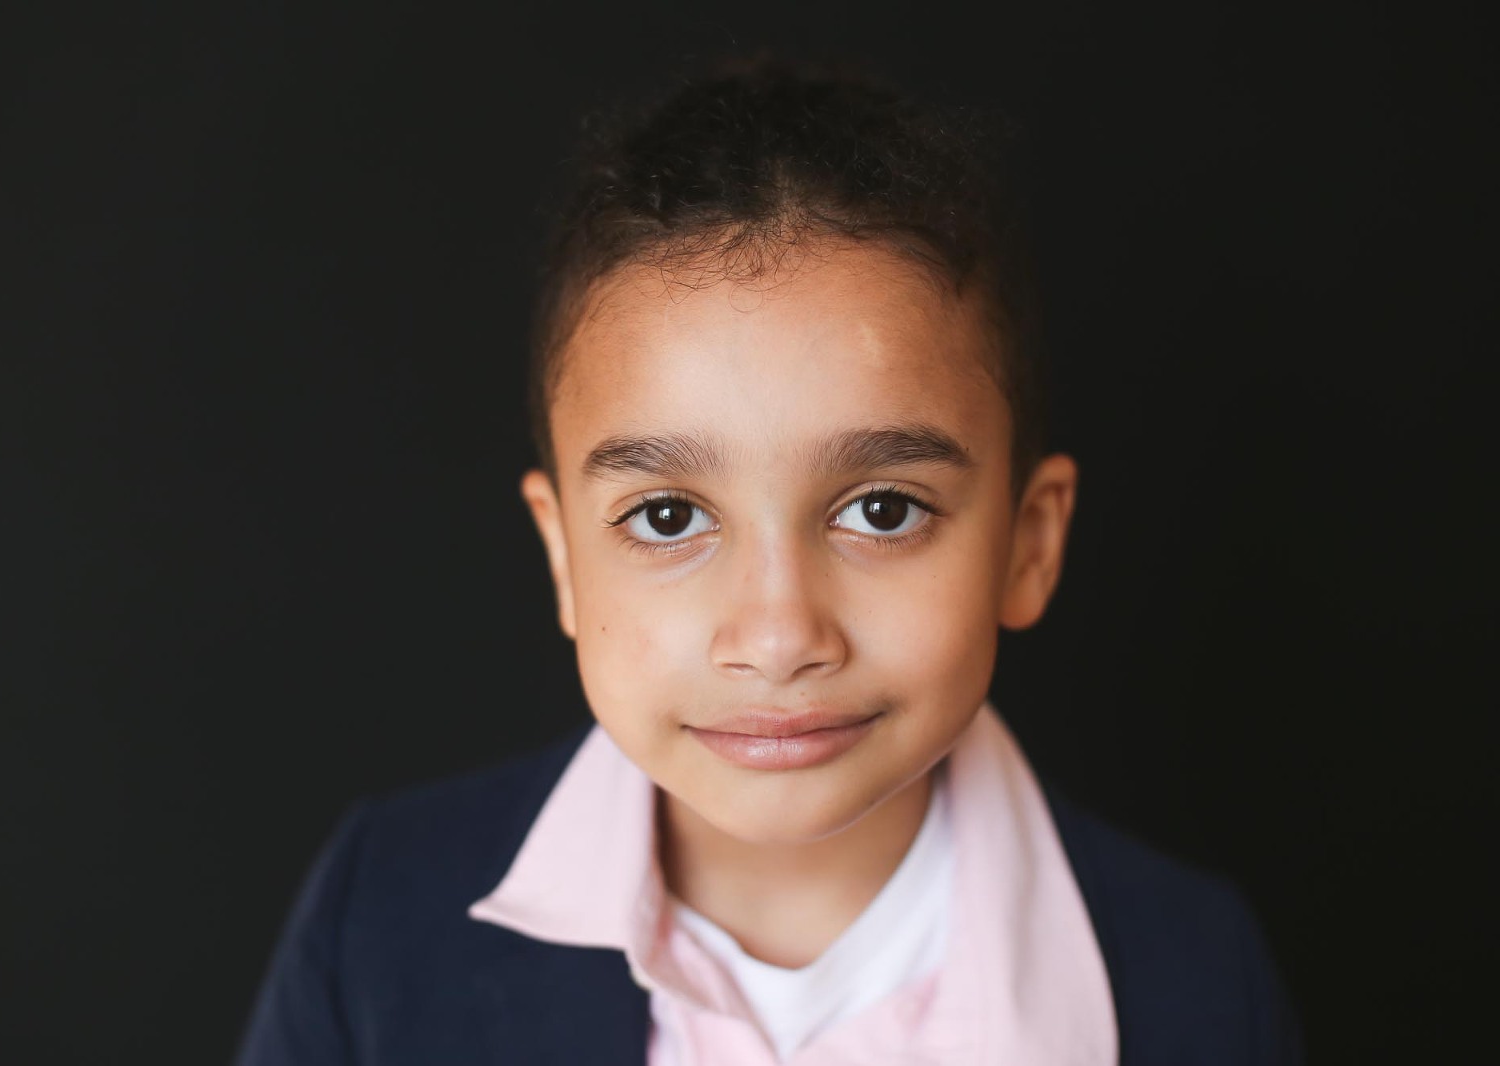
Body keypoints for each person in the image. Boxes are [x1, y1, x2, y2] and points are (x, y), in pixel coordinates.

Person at [234, 53, 1303, 1066]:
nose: (780, 634)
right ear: (562, 555)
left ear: (1028, 543)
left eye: (882, 509)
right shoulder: (379, 917)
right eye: (665, 518)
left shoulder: (1194, 978)